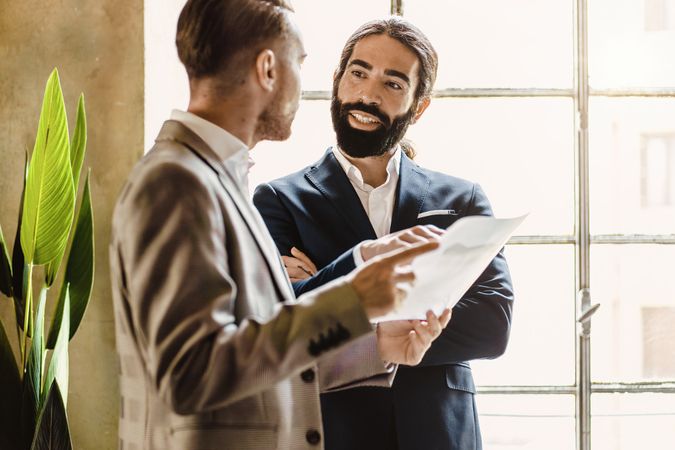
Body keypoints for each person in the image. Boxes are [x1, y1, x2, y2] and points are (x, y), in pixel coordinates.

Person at [109, 2, 451, 449]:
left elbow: (250, 362)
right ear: (268, 68)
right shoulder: (176, 182)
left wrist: (375, 347)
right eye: (301, 62)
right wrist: (353, 299)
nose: (306, 82)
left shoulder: (219, 179)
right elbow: (191, 376)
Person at [253, 17, 515, 450]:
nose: (367, 95)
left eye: (393, 84)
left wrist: (328, 289)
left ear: (418, 106)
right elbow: (279, 329)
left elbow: (492, 326)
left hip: (441, 433)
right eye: (358, 73)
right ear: (338, 80)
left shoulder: (463, 200)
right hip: (337, 432)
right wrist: (423, 308)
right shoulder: (278, 201)